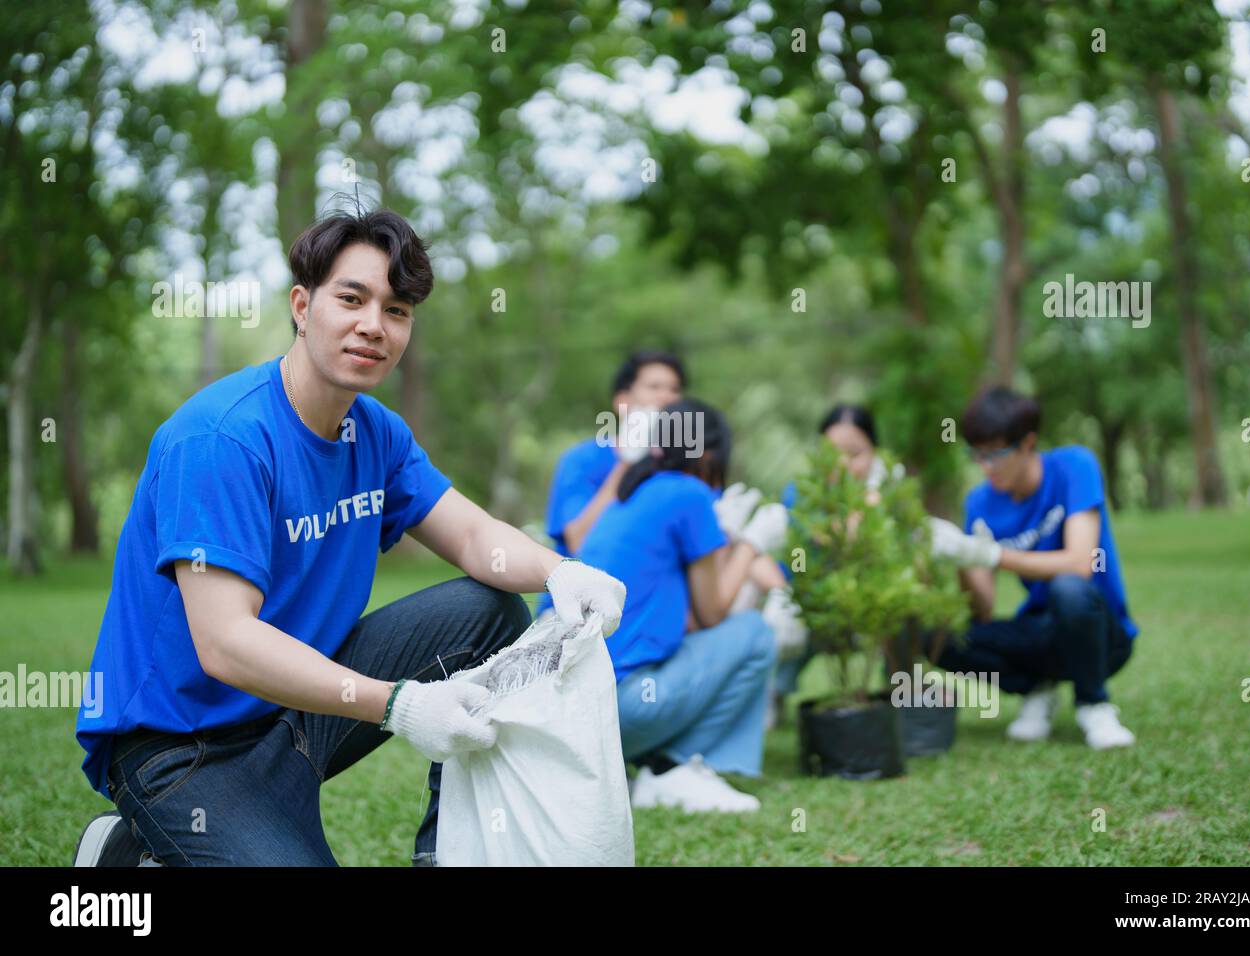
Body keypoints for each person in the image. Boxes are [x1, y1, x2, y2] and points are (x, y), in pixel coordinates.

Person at [71, 208, 625, 867]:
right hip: (182, 748)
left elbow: (475, 537)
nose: (373, 325)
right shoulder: (222, 439)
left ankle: (449, 856)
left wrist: (561, 571)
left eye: (396, 310)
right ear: (302, 306)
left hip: (298, 715)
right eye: (352, 298)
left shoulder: (377, 432)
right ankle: (136, 851)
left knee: (487, 613)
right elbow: (225, 644)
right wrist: (400, 704)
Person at [576, 399, 785, 813]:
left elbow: (690, 618)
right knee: (755, 633)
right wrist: (751, 544)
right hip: (621, 712)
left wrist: (724, 540)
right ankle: (675, 767)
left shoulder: (631, 496)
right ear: (709, 454)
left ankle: (656, 765)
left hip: (578, 712)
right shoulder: (689, 493)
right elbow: (714, 614)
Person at [927, 386, 1137, 749]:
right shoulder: (979, 502)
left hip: (1100, 633)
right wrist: (960, 556)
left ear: (1027, 443)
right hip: (1039, 630)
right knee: (940, 638)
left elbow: (1079, 563)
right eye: (977, 456)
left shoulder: (1074, 466)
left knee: (1067, 588)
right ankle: (1038, 687)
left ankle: (1094, 703)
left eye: (995, 455)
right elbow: (983, 609)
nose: (985, 467)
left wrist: (991, 555)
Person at [533, 350, 686, 618]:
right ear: (622, 401)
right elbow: (580, 540)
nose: (667, 397)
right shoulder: (583, 460)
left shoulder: (682, 473)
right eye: (654, 387)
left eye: (674, 389)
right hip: (577, 615)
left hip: (650, 622)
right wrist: (627, 462)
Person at [771, 404, 887, 717]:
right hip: (807, 600)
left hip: (865, 602)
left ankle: (896, 692)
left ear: (875, 453)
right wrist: (864, 510)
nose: (843, 464)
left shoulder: (889, 494)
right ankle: (775, 692)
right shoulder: (801, 492)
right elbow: (830, 538)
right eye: (833, 452)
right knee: (790, 630)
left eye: (855, 453)